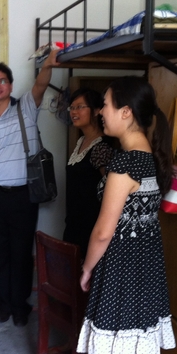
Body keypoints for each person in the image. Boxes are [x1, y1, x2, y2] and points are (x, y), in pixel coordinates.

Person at [77, 77, 176, 354]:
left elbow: (103, 232)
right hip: (146, 270)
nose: (100, 112)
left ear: (126, 112)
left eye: (105, 105)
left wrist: (87, 268)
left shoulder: (125, 164)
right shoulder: (150, 159)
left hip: (122, 273)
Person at [0, 50, 59, 326]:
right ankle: (4, 303)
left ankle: (20, 305)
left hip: (23, 194)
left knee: (21, 252)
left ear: (10, 85)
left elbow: (41, 85)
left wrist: (48, 64)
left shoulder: (26, 108)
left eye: (2, 80)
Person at [63, 88, 114, 259]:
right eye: (72, 108)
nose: (74, 112)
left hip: (91, 226)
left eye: (80, 107)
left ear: (96, 110)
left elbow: (111, 191)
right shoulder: (81, 141)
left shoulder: (101, 147)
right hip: (74, 223)